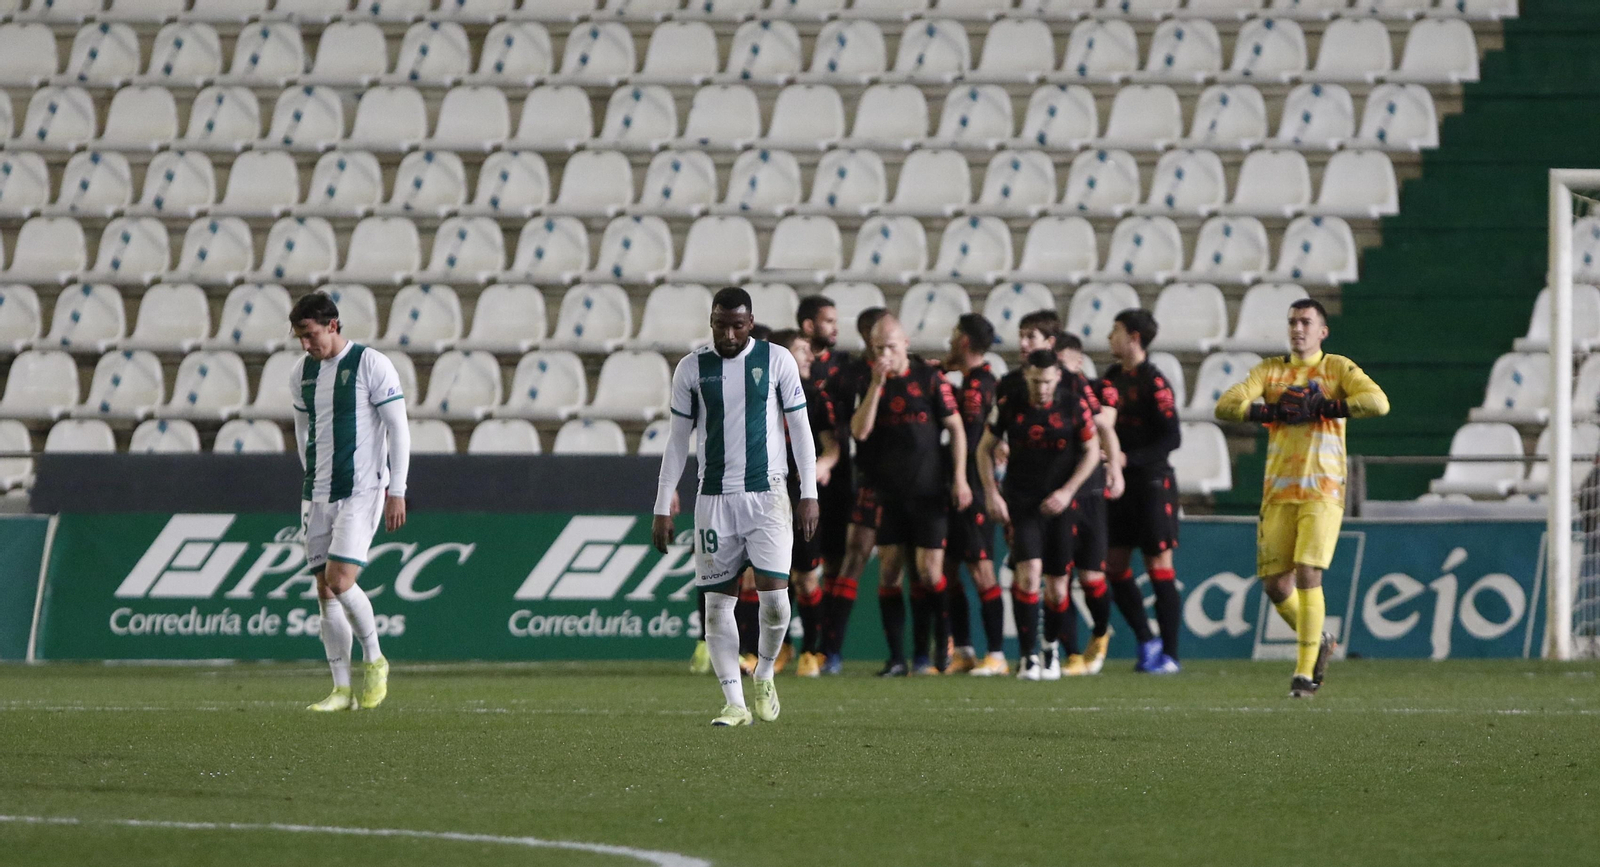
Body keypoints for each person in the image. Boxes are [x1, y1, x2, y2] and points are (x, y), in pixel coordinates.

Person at [652, 287, 820, 726]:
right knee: (716, 606)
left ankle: (764, 672)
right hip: (713, 499)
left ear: (751, 323)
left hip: (768, 497)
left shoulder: (777, 360)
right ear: (711, 322)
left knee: (776, 602)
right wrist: (662, 504)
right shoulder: (691, 368)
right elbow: (677, 442)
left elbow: (801, 430)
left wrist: (809, 494)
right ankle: (734, 703)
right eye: (720, 325)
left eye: (737, 326)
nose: (728, 334)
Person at [1214, 298, 1389, 698]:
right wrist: (1268, 412)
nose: (1298, 328)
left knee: (1309, 572)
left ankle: (1304, 673)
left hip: (1322, 489)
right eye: (1293, 321)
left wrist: (1328, 406)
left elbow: (1378, 402)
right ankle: (1320, 640)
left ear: (1322, 331)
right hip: (1278, 490)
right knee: (1276, 586)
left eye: (1306, 322)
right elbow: (1226, 405)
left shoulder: (1336, 368)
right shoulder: (1270, 371)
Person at [288, 293, 409, 713]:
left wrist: (398, 489)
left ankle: (375, 659)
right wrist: (311, 477)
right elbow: (303, 431)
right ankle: (341, 691)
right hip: (317, 492)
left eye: (310, 335)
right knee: (324, 589)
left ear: (333, 325)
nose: (306, 344)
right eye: (300, 337)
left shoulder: (370, 364)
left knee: (340, 581)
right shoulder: (302, 373)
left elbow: (398, 428)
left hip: (362, 489)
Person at [850, 315, 972, 676]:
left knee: (930, 573)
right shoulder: (869, 381)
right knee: (889, 571)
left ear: (905, 343)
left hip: (929, 491)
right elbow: (859, 432)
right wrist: (876, 386)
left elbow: (956, 428)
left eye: (890, 346)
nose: (884, 354)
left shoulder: (929, 378)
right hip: (889, 491)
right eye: (878, 348)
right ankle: (897, 658)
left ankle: (938, 644)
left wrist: (960, 478)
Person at [977, 350, 1100, 680]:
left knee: (1058, 588)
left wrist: (1068, 491)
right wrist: (991, 492)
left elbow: (1092, 451)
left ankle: (1050, 648)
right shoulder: (1010, 403)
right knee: (1029, 574)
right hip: (1022, 501)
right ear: (1026, 376)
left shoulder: (1073, 405)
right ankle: (1028, 656)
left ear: (1057, 377)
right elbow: (983, 448)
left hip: (1061, 504)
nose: (1041, 388)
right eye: (1035, 381)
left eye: (1046, 382)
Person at [1103, 309, 1184, 674]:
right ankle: (1146, 639)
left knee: (1158, 566)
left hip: (1152, 484)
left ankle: (1171, 655)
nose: (1110, 337)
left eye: (1116, 331)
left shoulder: (1155, 382)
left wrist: (1129, 458)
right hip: (1118, 484)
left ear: (1134, 337)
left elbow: (1172, 437)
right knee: (1114, 565)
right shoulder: (1111, 377)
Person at [816, 307, 890, 675]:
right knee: (847, 560)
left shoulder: (912, 371)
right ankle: (828, 650)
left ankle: (935, 653)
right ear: (867, 335)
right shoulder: (847, 377)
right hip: (860, 479)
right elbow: (836, 428)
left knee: (923, 568)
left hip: (911, 482)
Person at [769, 328, 842, 677]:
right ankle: (777, 648)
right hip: (766, 495)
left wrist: (821, 466)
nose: (810, 356)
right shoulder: (761, 395)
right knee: (769, 577)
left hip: (802, 496)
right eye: (801, 350)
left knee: (806, 578)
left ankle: (812, 650)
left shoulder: (815, 396)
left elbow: (833, 447)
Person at [1053, 333, 1123, 677]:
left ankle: (1100, 631)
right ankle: (1071, 655)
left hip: (1090, 491)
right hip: (1054, 490)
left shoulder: (1094, 390)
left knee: (1092, 577)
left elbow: (1105, 426)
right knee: (1058, 578)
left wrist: (1116, 469)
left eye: (1061, 361)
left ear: (1078, 361)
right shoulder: (1040, 393)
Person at [942, 314, 1000, 673]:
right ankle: (963, 651)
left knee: (981, 569)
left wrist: (963, 480)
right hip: (957, 485)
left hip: (974, 487)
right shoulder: (969, 381)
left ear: (964, 341)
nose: (949, 340)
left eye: (954, 334)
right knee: (949, 569)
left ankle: (996, 653)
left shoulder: (980, 386)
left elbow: (976, 438)